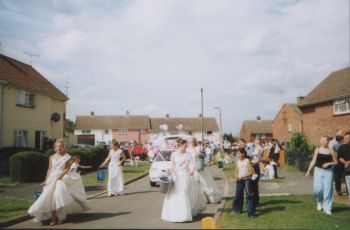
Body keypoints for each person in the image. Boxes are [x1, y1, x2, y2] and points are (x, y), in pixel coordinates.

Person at [28, 139, 88, 225]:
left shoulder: (67, 157)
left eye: (61, 146)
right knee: (49, 198)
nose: (59, 148)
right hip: (52, 178)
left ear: (64, 147)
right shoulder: (51, 157)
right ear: (55, 148)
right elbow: (49, 169)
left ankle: (58, 217)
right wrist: (46, 179)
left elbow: (67, 168)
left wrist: (61, 175)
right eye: (57, 146)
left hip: (61, 179)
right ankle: (54, 218)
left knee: (58, 198)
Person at [161, 139, 206, 222]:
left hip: (186, 176)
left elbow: (192, 164)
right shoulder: (174, 155)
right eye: (184, 146)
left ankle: (186, 213)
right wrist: (169, 171)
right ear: (180, 146)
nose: (186, 147)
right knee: (176, 195)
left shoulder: (188, 154)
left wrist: (192, 170)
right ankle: (178, 214)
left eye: (186, 146)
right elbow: (172, 166)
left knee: (185, 194)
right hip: (177, 177)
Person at [305, 136, 338, 215]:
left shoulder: (331, 151)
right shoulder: (318, 149)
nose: (323, 142)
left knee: (328, 190)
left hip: (328, 171)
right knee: (318, 189)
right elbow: (313, 160)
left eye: (325, 141)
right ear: (320, 141)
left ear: (328, 142)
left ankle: (327, 208)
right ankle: (319, 201)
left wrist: (329, 163)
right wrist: (308, 171)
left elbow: (336, 162)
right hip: (318, 170)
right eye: (322, 140)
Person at [189, 137, 222, 204]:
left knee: (204, 182)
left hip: (198, 166)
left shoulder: (198, 148)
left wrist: (193, 150)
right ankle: (201, 199)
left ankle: (210, 198)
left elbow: (199, 155)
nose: (191, 142)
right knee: (196, 184)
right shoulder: (188, 149)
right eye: (190, 141)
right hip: (191, 167)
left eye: (192, 141)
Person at [233, 147, 256, 218]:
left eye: (238, 153)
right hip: (239, 181)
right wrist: (237, 176)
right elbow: (236, 171)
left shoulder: (247, 161)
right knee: (238, 195)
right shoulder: (238, 161)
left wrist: (243, 177)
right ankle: (238, 210)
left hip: (247, 181)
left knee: (249, 196)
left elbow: (251, 172)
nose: (237, 155)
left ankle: (251, 213)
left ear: (243, 154)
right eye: (236, 154)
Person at [338, 131, 350, 199]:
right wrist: (346, 163)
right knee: (348, 184)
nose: (345, 140)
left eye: (347, 138)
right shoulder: (341, 147)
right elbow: (339, 157)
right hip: (347, 169)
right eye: (344, 138)